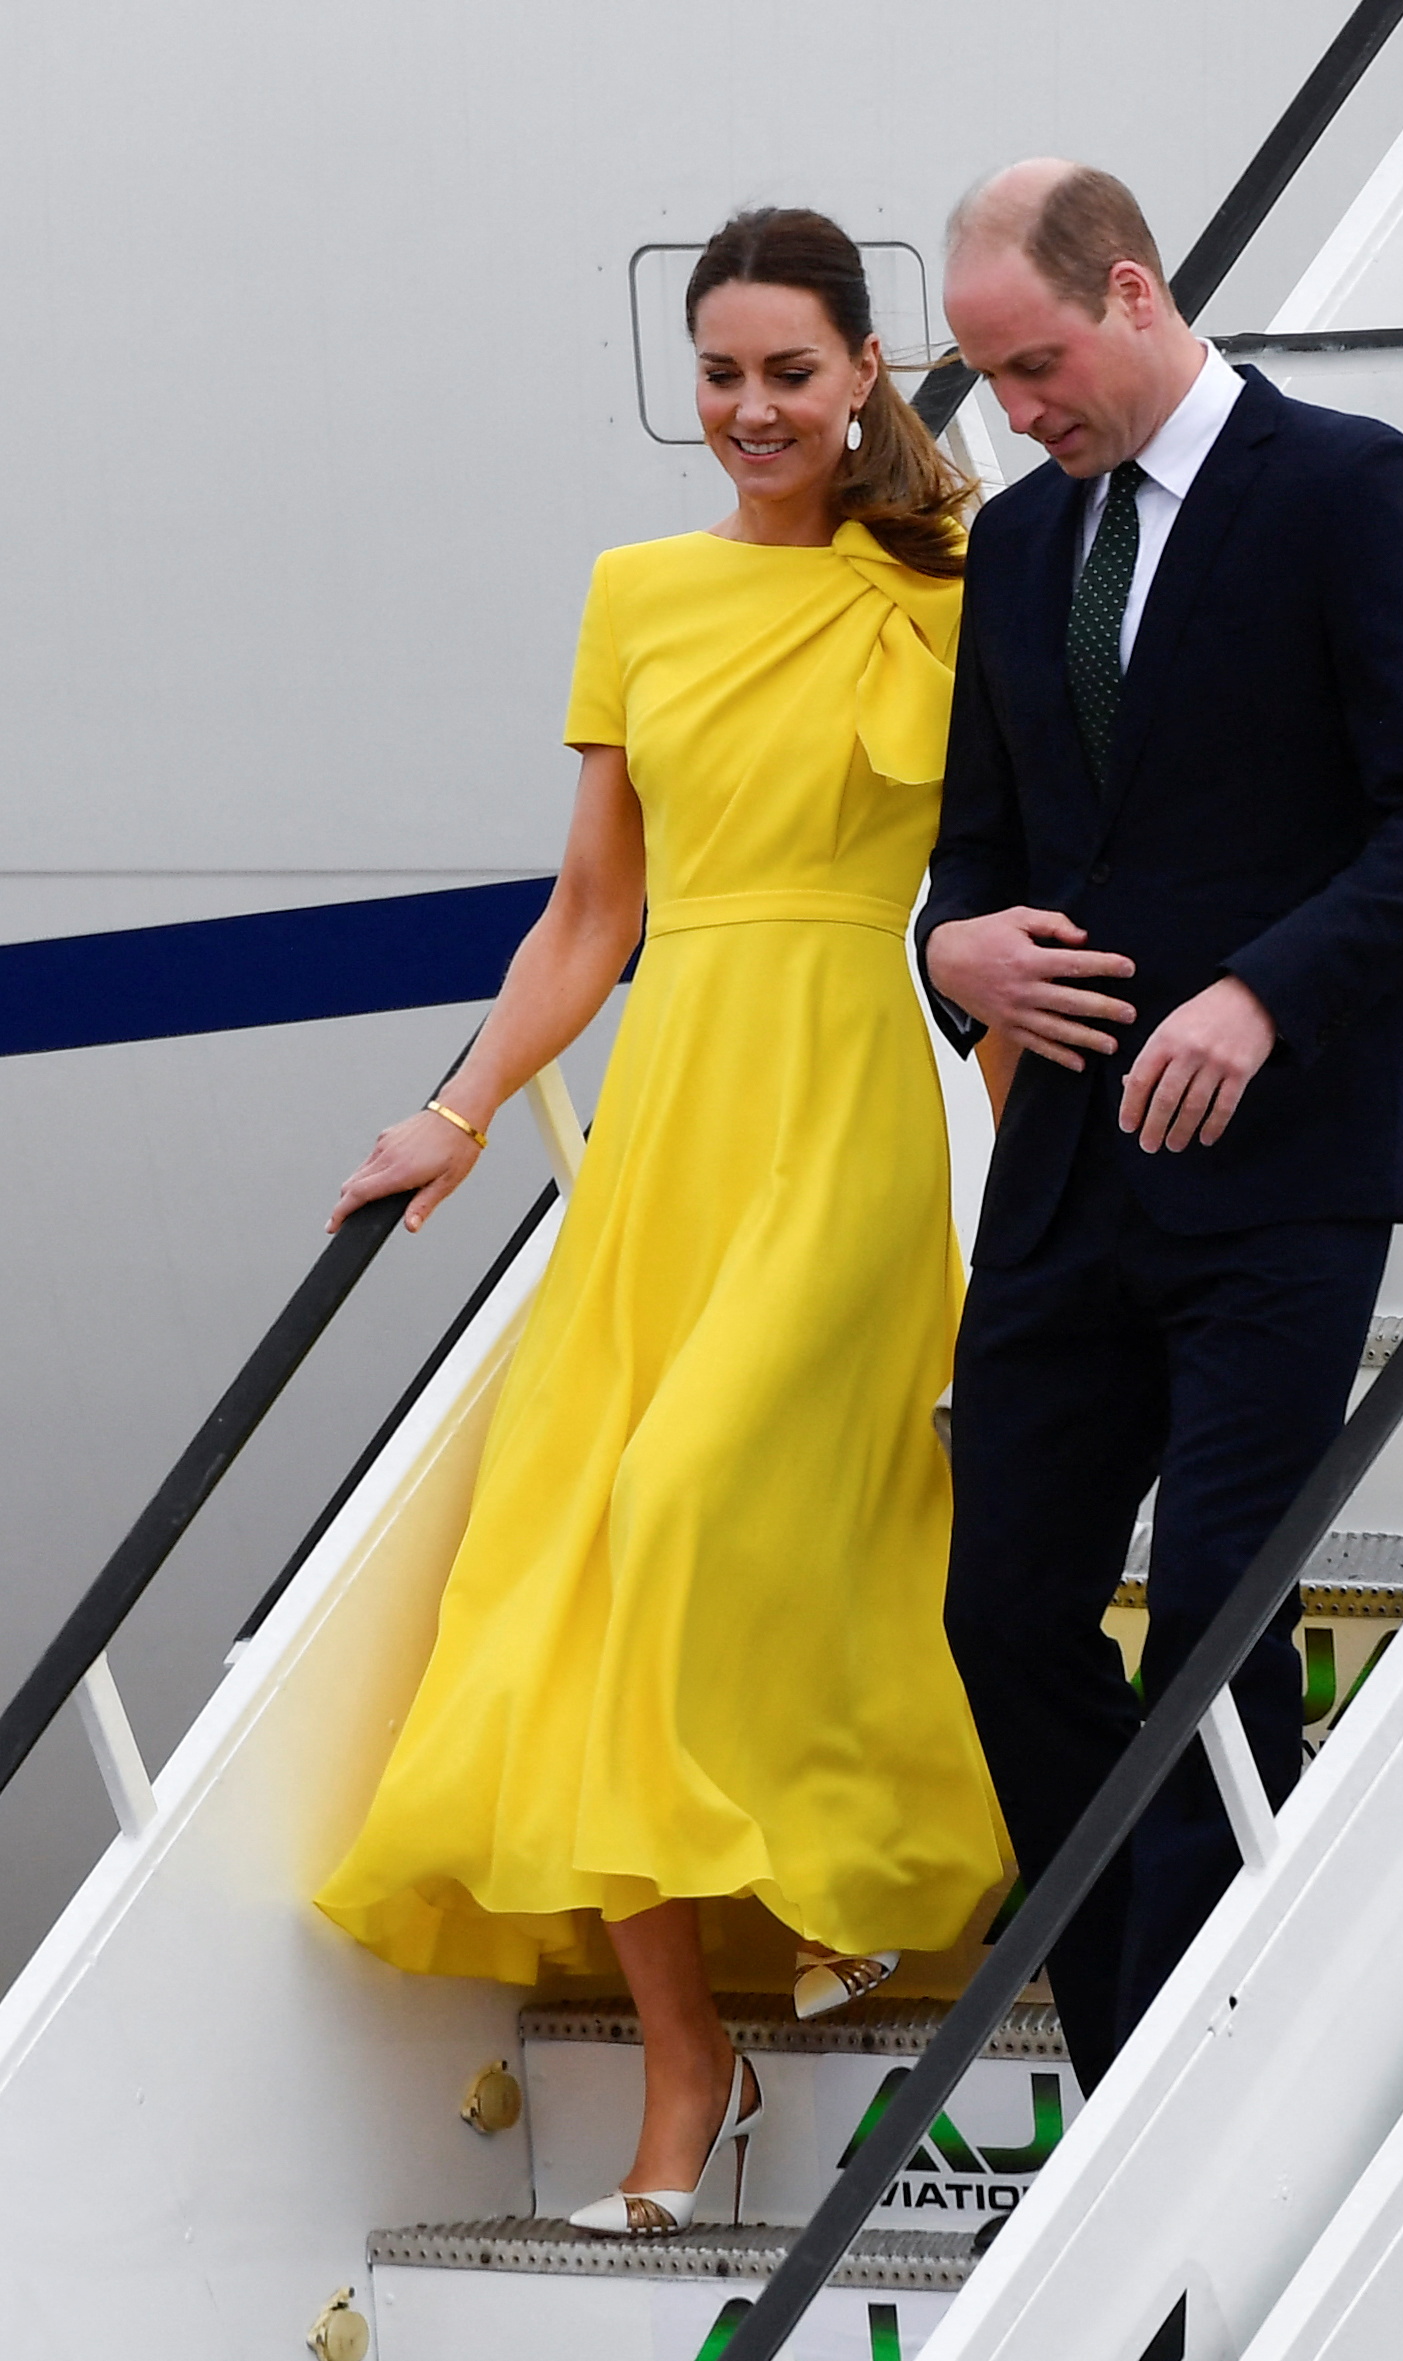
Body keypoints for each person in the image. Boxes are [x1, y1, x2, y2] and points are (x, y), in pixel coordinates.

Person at [312, 206, 1007, 2237]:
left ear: (864, 369)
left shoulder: (958, 587)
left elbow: (1029, 868)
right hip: (674, 1109)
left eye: (789, 370)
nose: (750, 409)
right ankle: (683, 2049)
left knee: (711, 1492)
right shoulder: (635, 592)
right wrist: (453, 1112)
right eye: (718, 373)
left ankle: (850, 1856)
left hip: (853, 1093)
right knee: (591, 1550)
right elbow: (592, 915)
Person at [917, 160, 1403, 2098]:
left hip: (1278, 1178)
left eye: (1033, 364)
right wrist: (955, 950)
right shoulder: (1016, 552)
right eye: (988, 381)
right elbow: (976, 858)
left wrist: (1261, 991)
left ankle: (1188, 2086)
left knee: (1214, 1631)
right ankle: (1136, 2054)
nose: (1015, 412)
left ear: (1136, 290)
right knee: (1002, 1613)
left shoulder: (1343, 488)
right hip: (1068, 1179)